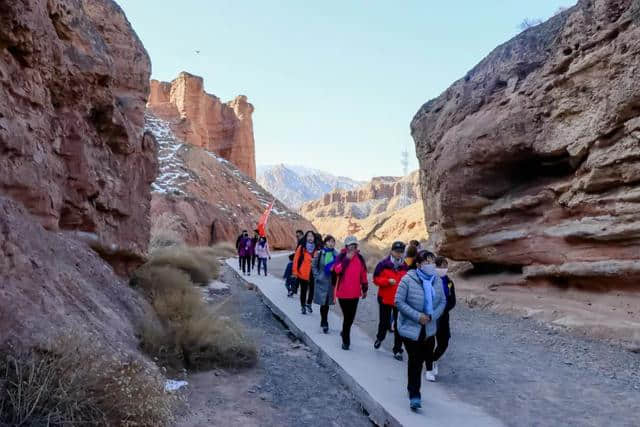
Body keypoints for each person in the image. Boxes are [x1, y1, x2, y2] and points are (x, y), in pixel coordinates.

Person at [395, 250, 446, 411]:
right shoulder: (408, 280)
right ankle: (414, 394)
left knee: (423, 358)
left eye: (432, 262)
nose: (430, 265)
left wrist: (432, 316)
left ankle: (413, 387)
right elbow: (399, 302)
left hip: (429, 329)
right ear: (418, 265)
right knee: (415, 361)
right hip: (410, 328)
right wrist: (418, 316)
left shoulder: (436, 280)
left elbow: (442, 301)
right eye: (426, 262)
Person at [372, 241, 408, 360]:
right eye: (397, 251)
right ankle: (380, 338)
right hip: (385, 298)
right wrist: (387, 281)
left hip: (400, 300)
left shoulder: (405, 267)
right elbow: (375, 279)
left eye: (401, 252)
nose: (399, 254)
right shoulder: (383, 264)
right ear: (392, 251)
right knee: (384, 321)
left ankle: (397, 349)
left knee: (399, 326)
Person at [332, 236, 368, 350]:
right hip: (343, 293)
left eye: (354, 245)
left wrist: (365, 288)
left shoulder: (360, 258)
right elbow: (337, 270)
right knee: (347, 318)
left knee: (350, 318)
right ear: (346, 246)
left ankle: (344, 332)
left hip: (355, 294)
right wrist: (346, 259)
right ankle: (346, 341)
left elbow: (363, 274)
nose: (352, 248)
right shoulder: (341, 256)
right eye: (350, 245)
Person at [431, 256, 456, 377]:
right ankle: (428, 366)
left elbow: (452, 301)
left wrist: (443, 309)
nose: (443, 269)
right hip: (430, 315)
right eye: (440, 266)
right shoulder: (429, 280)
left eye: (445, 266)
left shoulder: (449, 282)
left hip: (443, 317)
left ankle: (433, 359)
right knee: (427, 341)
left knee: (444, 342)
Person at [312, 235, 338, 333]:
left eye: (333, 242)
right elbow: (314, 266)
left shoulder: (336, 255)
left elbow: (340, 266)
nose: (331, 243)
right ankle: (324, 321)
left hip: (331, 282)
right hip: (321, 281)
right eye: (330, 241)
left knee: (327, 303)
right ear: (325, 242)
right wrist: (317, 276)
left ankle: (324, 321)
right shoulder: (320, 253)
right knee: (323, 303)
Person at [293, 230, 317, 314]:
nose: (310, 238)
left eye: (312, 236)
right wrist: (295, 272)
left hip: (313, 273)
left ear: (314, 238)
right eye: (308, 236)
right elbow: (296, 260)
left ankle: (309, 303)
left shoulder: (317, 249)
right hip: (302, 272)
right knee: (303, 290)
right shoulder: (302, 247)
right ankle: (303, 306)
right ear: (306, 238)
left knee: (312, 290)